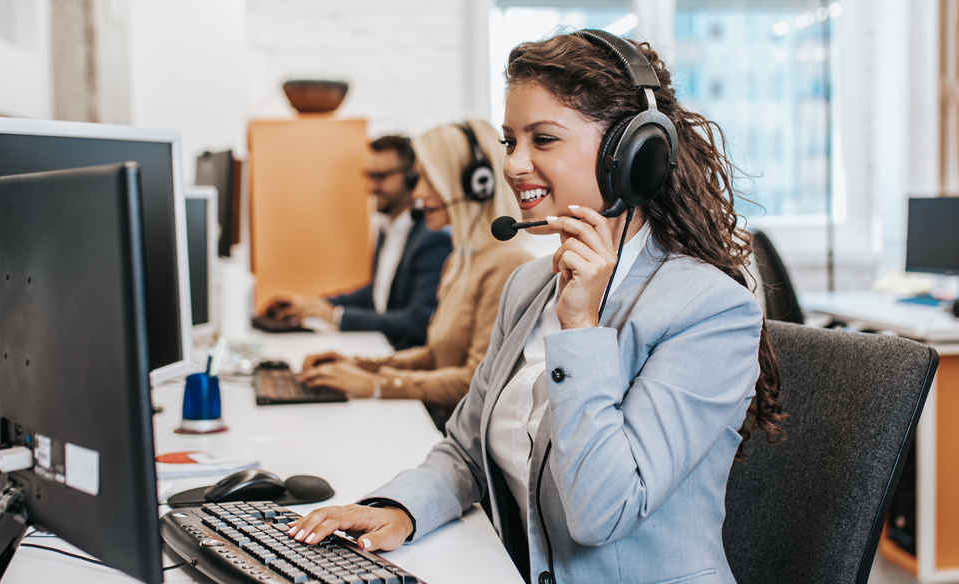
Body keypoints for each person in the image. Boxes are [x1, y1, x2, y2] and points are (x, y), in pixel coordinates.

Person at [284, 31, 784, 584]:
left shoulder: (711, 311)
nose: (515, 165)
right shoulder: (529, 286)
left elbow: (603, 512)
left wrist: (581, 330)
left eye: (543, 139)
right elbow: (466, 450)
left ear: (633, 154)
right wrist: (400, 509)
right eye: (508, 142)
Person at [298, 120, 533, 427]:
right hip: (444, 427)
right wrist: (359, 365)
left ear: (476, 183)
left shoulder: (506, 264)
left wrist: (378, 385)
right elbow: (433, 356)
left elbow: (475, 380)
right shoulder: (460, 260)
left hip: (468, 445)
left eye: (426, 179)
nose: (418, 192)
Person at [263, 135, 452, 350]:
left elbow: (418, 320)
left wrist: (337, 317)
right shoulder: (387, 229)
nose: (371, 187)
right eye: (369, 176)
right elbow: (380, 291)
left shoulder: (433, 238)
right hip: (379, 347)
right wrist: (315, 305)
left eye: (380, 177)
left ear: (411, 177)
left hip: (403, 358)